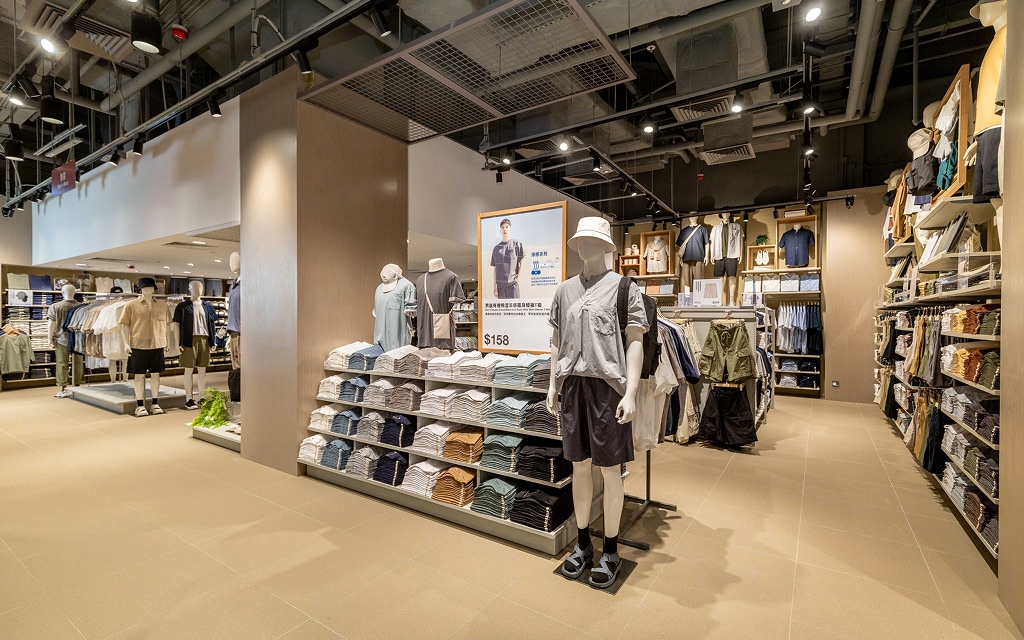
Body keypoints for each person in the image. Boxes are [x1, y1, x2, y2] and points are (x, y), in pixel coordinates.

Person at [491, 218, 525, 299]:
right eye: (502, 227)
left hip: (512, 284)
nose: (504, 229)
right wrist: (494, 287)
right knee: (503, 307)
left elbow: (522, 262)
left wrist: (518, 279)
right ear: (500, 230)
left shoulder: (516, 244)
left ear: (510, 229)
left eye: (507, 227)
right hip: (500, 287)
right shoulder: (496, 248)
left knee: (515, 307)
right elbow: (495, 269)